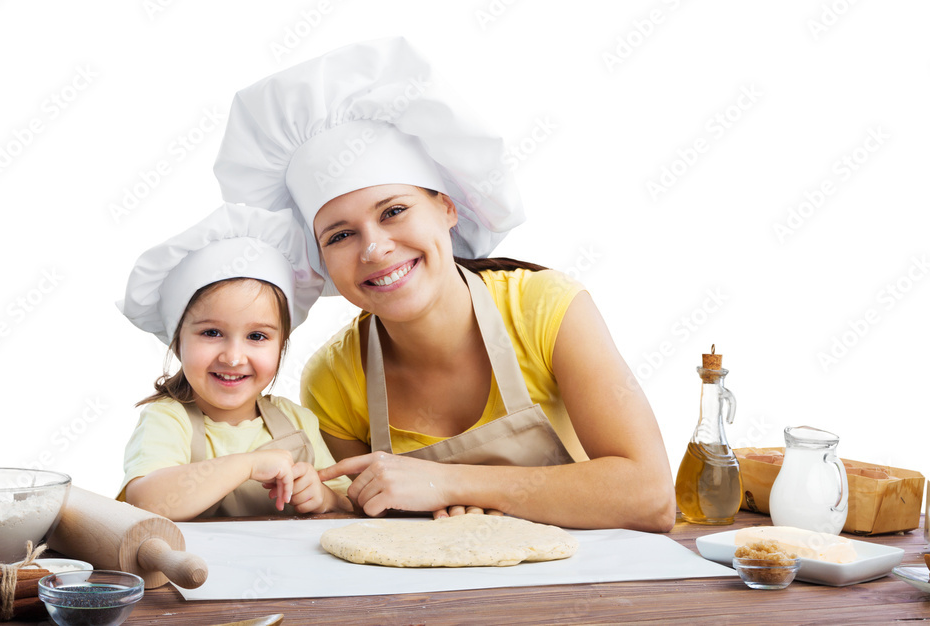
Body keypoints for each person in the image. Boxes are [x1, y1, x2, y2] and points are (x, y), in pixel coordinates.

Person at [213, 38, 675, 532]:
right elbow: (358, 522)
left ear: (448, 207)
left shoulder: (546, 310)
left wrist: (452, 483)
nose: (374, 248)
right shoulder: (334, 377)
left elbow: (649, 497)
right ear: (320, 261)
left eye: (394, 211)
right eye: (341, 235)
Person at [116, 204, 351, 521]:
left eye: (257, 336)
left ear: (282, 345)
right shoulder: (168, 420)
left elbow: (350, 506)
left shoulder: (297, 421)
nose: (233, 357)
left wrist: (323, 497)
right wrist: (248, 465)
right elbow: (147, 503)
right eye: (212, 332)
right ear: (177, 341)